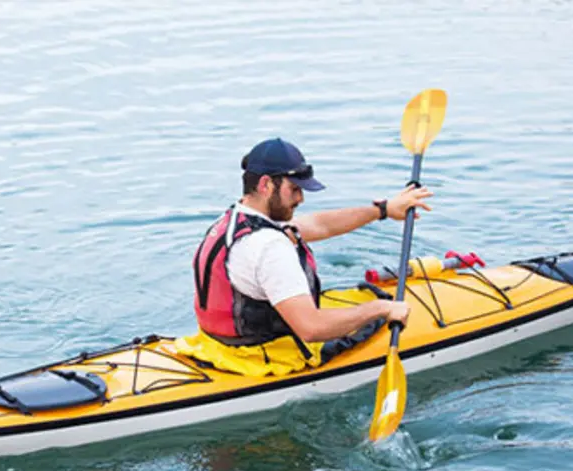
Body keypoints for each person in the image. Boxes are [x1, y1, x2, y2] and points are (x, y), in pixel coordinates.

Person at [176, 137, 434, 376]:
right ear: (266, 184)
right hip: (267, 357)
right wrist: (383, 310)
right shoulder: (270, 247)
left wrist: (384, 209)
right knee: (374, 305)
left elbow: (319, 225)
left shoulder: (233, 221)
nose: (301, 198)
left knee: (358, 299)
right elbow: (311, 329)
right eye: (294, 189)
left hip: (215, 347)